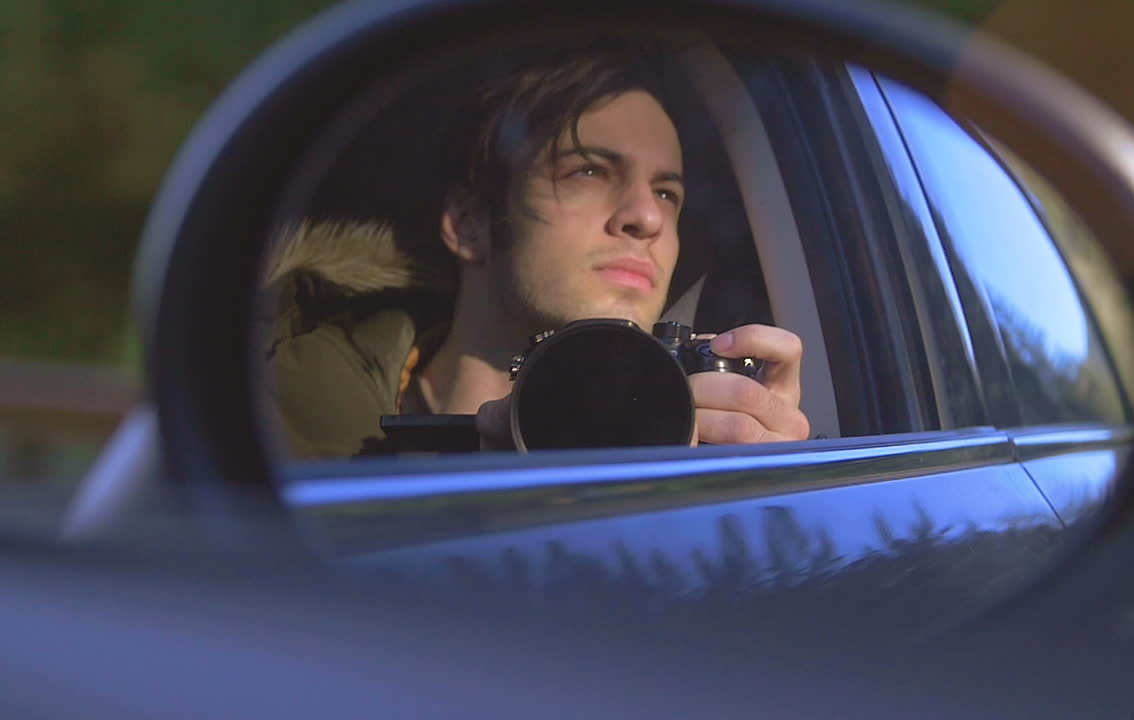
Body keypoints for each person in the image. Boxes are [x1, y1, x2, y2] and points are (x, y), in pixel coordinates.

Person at [263, 42, 810, 458]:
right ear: (469, 223)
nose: (646, 218)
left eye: (667, 193)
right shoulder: (293, 406)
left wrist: (758, 491)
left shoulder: (688, 440)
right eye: (589, 171)